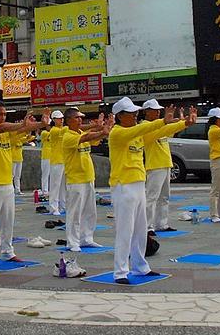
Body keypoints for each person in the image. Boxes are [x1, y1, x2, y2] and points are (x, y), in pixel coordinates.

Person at [108, 98, 190, 284]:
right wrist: (162, 121)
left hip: (137, 184)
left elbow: (160, 132)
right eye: (130, 113)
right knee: (125, 231)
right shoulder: (117, 133)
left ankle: (140, 267)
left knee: (140, 230)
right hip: (123, 186)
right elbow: (144, 128)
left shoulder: (137, 134)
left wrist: (184, 123)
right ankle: (120, 271)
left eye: (135, 112)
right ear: (120, 116)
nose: (135, 115)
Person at [0, 101, 44, 269]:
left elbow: (22, 130)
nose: (3, 117)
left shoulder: (6, 133)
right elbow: (3, 128)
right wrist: (21, 124)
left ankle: (7, 251)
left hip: (6, 183)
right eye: (0, 114)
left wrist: (41, 123)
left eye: (5, 114)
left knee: (8, 221)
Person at [61, 108, 110, 252]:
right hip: (75, 179)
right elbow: (85, 138)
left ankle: (86, 238)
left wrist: (104, 128)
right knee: (74, 213)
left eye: (81, 117)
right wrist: (101, 131)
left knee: (90, 211)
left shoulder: (81, 133)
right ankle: (72, 242)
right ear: (69, 120)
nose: (80, 120)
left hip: (88, 177)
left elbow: (92, 139)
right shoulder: (67, 136)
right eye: (77, 118)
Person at [142, 98, 190, 233]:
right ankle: (147, 226)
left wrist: (181, 121)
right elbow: (164, 130)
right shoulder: (145, 126)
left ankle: (161, 224)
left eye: (158, 110)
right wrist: (177, 122)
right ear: (147, 112)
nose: (157, 112)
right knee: (152, 197)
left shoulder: (159, 125)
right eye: (154, 110)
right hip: (155, 165)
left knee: (164, 197)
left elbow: (170, 131)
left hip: (165, 163)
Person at [44, 112, 68, 215]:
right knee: (55, 186)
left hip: (64, 160)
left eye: (62, 118)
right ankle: (53, 208)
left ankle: (63, 206)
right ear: (54, 119)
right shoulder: (54, 130)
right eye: (59, 118)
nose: (61, 120)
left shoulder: (64, 130)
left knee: (63, 186)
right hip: (56, 161)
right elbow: (67, 130)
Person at [10, 129, 30, 195]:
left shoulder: (21, 140)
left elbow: (28, 138)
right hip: (13, 159)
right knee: (12, 175)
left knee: (18, 175)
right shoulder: (13, 139)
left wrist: (28, 133)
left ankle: (17, 189)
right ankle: (11, 189)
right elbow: (17, 137)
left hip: (19, 159)